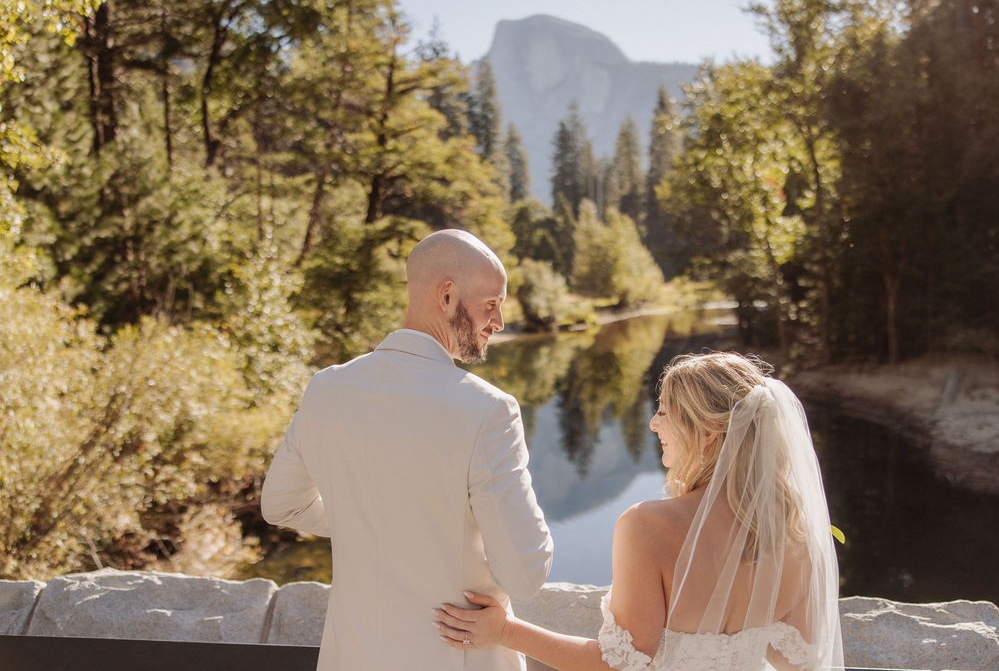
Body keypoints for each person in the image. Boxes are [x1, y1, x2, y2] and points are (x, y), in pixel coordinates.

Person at [434, 352, 843, 670]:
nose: (653, 424)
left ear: (706, 434)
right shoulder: (796, 534)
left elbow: (619, 665)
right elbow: (797, 659)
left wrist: (506, 630)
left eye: (664, 411)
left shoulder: (648, 526)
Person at [262, 229, 554, 670]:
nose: (499, 321)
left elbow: (280, 505)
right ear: (447, 295)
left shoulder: (327, 388)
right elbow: (525, 572)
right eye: (491, 304)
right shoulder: (489, 410)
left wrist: (366, 517)